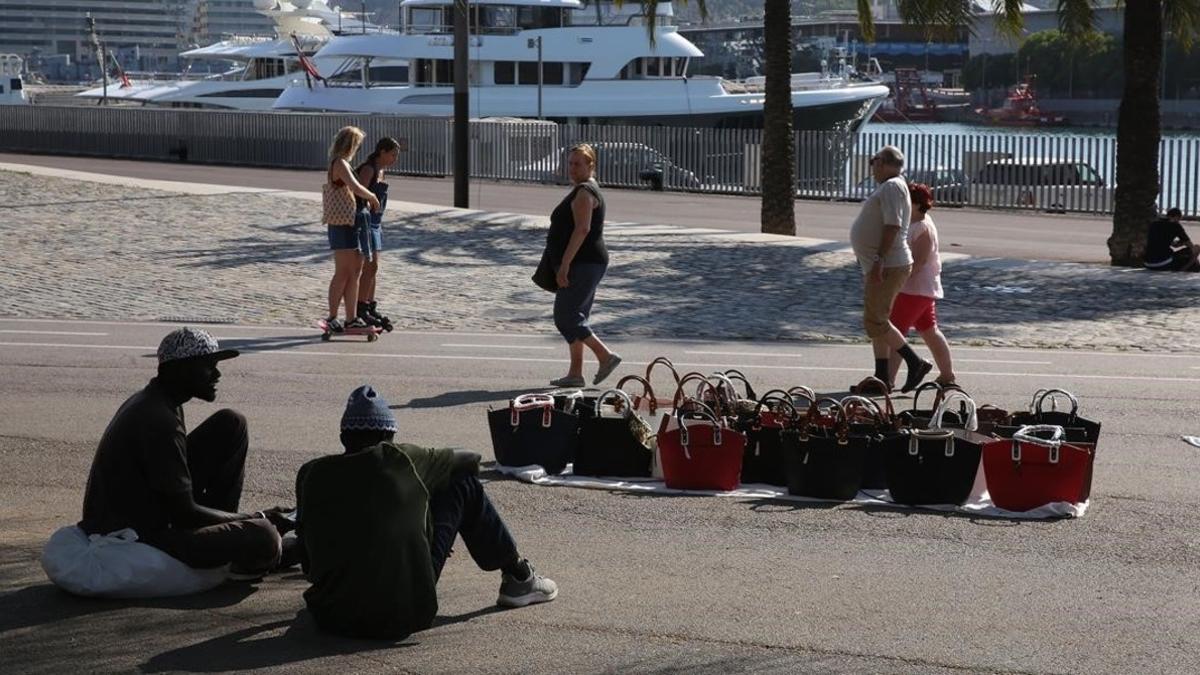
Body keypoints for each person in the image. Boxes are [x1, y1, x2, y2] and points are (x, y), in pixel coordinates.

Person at [295, 385, 558, 640]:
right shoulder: (401, 459)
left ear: (343, 438)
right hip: (401, 616)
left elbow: (308, 561)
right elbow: (470, 460)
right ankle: (519, 577)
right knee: (462, 483)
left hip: (330, 616)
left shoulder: (311, 473)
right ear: (390, 438)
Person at [79, 327, 287, 579]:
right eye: (209, 366)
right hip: (133, 535)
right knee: (263, 534)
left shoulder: (160, 401)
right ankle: (236, 547)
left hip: (152, 510)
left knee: (231, 424)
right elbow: (184, 514)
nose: (217, 374)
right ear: (180, 369)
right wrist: (258, 517)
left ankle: (231, 532)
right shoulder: (159, 420)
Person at [848, 145, 932, 394]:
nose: (872, 166)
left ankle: (914, 362)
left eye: (873, 161)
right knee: (875, 320)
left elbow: (892, 225)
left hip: (889, 263)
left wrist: (878, 260)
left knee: (876, 320)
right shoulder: (891, 186)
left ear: (883, 162)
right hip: (882, 263)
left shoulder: (893, 186)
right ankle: (881, 377)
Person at [544, 143, 621, 388]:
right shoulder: (586, 189)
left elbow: (583, 229)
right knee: (578, 316)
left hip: (583, 263)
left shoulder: (584, 192)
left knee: (565, 316)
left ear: (591, 165)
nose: (572, 168)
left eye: (578, 164)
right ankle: (575, 373)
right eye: (570, 163)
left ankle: (605, 356)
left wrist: (565, 264)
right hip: (588, 262)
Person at [888, 183, 955, 388]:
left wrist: (896, 281)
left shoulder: (923, 227)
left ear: (917, 204)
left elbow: (919, 261)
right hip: (921, 289)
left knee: (897, 330)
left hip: (915, 288)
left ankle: (888, 379)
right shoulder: (913, 222)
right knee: (929, 330)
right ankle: (947, 375)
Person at [323, 125, 381, 333]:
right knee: (343, 272)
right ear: (350, 144)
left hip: (350, 223)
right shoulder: (339, 163)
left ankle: (351, 317)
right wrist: (372, 196)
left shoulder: (342, 163)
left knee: (355, 271)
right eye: (356, 144)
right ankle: (332, 316)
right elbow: (355, 187)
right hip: (342, 224)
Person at [355, 137, 402, 330]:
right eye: (392, 154)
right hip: (366, 221)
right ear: (382, 151)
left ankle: (369, 304)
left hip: (376, 223)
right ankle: (361, 307)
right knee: (369, 266)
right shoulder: (369, 169)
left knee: (374, 268)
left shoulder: (381, 171)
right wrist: (369, 202)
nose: (394, 159)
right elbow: (359, 194)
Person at [1144, 207, 1199, 272]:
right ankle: (1182, 270)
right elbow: (1190, 245)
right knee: (1196, 248)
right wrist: (1183, 243)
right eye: (1179, 219)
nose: (1178, 221)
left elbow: (1160, 240)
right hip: (1162, 263)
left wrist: (1176, 243)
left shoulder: (1154, 224)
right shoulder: (1176, 226)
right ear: (1176, 217)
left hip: (1147, 263)